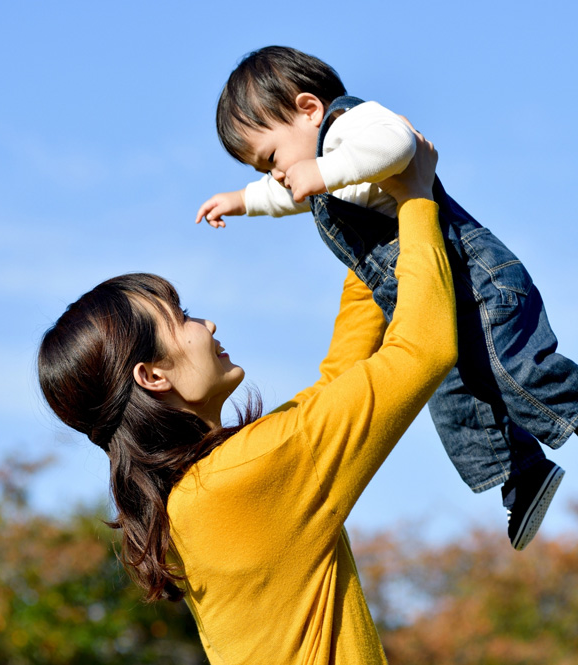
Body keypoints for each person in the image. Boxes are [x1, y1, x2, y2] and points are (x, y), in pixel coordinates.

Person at [196, 45, 578, 551]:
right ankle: (523, 471)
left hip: (475, 281)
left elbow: (398, 145)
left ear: (308, 109)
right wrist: (242, 200)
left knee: (510, 368)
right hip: (431, 300)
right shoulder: (318, 170)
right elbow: (284, 193)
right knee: (453, 398)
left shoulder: (348, 127)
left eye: (270, 157)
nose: (273, 173)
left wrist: (323, 172)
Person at [39, 134, 454, 663]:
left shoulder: (199, 492)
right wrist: (416, 198)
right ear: (152, 376)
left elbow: (338, 383)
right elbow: (424, 350)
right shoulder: (245, 475)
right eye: (182, 318)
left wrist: (369, 243)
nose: (206, 324)